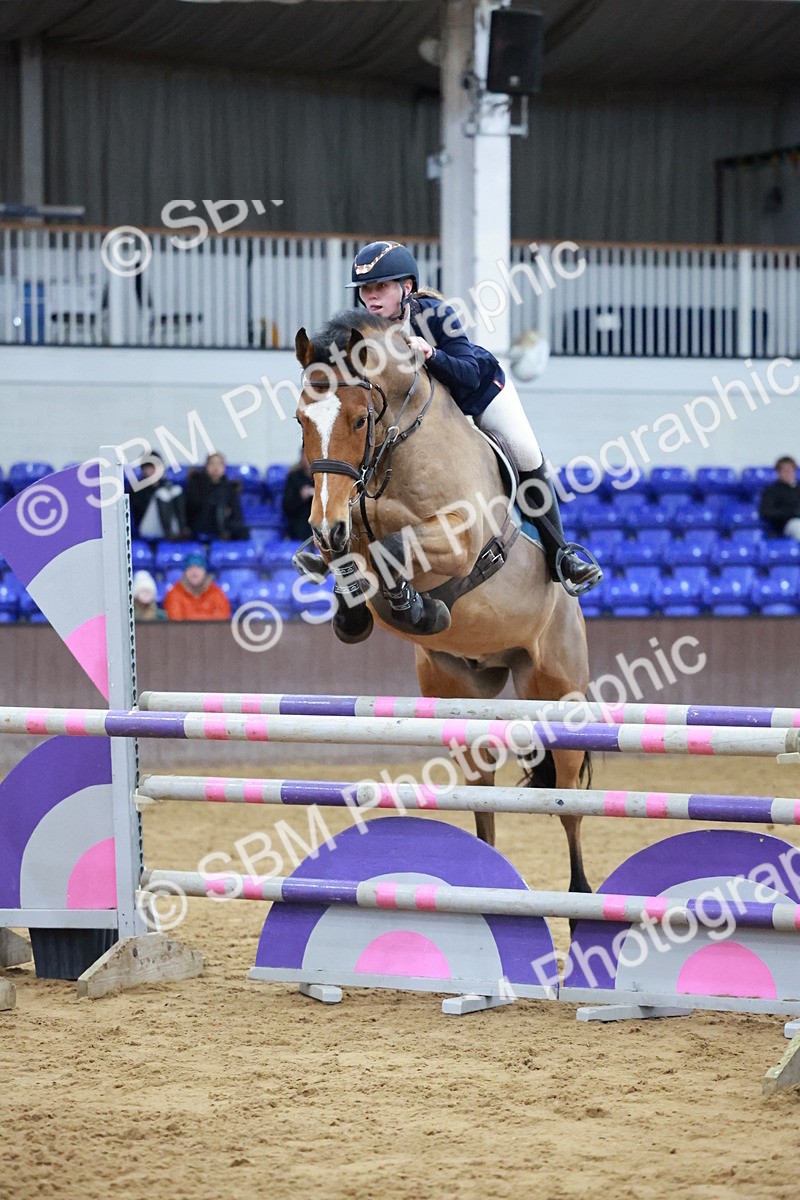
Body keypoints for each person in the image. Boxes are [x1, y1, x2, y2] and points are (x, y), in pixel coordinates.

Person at [344, 240, 602, 594]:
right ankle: (329, 543)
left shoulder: (432, 314)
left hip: (479, 394)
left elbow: (465, 372)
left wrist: (431, 353)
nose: (371, 297)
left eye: (381, 287)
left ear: (406, 288)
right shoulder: (366, 331)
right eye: (365, 290)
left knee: (525, 453)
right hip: (431, 419)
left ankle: (563, 557)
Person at [185, 453, 249, 541]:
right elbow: (192, 506)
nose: (216, 467)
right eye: (212, 463)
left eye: (219, 464)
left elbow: (236, 512)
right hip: (202, 521)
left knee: (242, 530)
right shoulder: (196, 483)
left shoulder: (229, 487)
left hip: (224, 523)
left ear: (224, 468)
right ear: (206, 466)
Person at [129, 451, 188, 541]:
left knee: (176, 490)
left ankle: (182, 529)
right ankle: (168, 534)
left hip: (171, 526)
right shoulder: (137, 488)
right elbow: (139, 510)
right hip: (147, 527)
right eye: (149, 467)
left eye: (155, 466)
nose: (152, 470)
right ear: (143, 469)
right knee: (162, 494)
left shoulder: (167, 484)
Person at [163, 553, 231, 621]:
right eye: (190, 568)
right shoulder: (174, 593)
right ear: (184, 572)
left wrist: (189, 617)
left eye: (199, 567)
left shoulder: (216, 592)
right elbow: (176, 621)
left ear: (205, 571)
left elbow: (222, 618)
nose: (194, 572)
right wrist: (208, 617)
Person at [759, 456, 800, 539]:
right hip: (787, 524)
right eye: (785, 470)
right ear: (778, 472)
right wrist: (792, 512)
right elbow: (766, 512)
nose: (788, 473)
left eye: (791, 469)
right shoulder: (772, 490)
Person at [282, 450, 315, 541]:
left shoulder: (322, 478)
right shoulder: (294, 477)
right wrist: (301, 497)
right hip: (299, 525)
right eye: (306, 456)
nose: (309, 459)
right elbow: (287, 506)